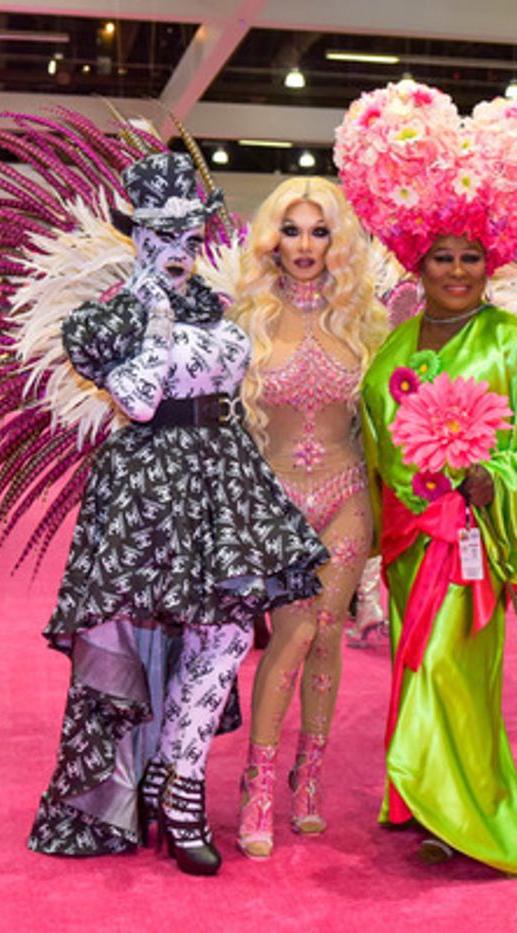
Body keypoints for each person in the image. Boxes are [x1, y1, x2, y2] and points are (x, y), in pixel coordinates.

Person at [336, 80, 517, 877]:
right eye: (442, 258)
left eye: (470, 258)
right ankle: (419, 793)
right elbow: (375, 449)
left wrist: (494, 478)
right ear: (417, 263)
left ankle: (475, 818)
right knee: (414, 661)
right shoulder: (390, 356)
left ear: (489, 263)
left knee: (453, 671)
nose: (457, 270)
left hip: (472, 547)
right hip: (407, 547)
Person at [26, 152, 329, 877]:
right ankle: (165, 790)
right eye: (164, 234)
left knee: (225, 636)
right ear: (137, 235)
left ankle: (178, 775)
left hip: (219, 475)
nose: (180, 251)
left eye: (191, 236)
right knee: (158, 637)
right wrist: (155, 325)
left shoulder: (212, 307)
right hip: (150, 487)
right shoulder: (102, 321)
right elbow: (134, 399)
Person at [228, 177, 388, 859]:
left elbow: (385, 420)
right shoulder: (247, 319)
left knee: (325, 634)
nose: (303, 245)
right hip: (278, 506)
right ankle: (259, 782)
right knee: (292, 635)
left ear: (338, 241)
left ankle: (309, 777)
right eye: (290, 230)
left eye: (318, 231)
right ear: (271, 238)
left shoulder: (367, 320)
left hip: (346, 495)